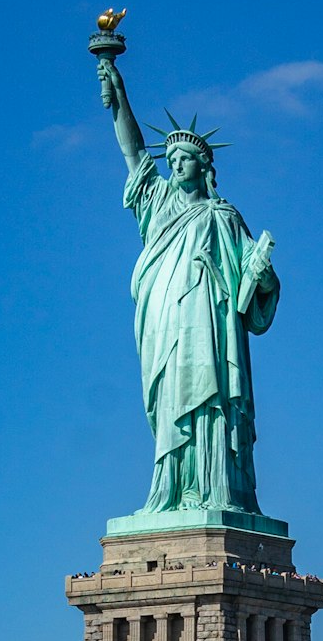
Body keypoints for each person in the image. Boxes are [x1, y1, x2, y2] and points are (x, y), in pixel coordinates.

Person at [96, 53, 280, 515]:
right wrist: (120, 96)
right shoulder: (156, 202)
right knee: (172, 400)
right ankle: (172, 490)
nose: (175, 165)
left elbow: (252, 290)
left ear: (203, 166)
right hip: (166, 324)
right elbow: (133, 152)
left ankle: (218, 490)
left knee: (213, 399)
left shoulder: (223, 216)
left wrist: (261, 274)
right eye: (172, 159)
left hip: (211, 328)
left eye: (184, 159)